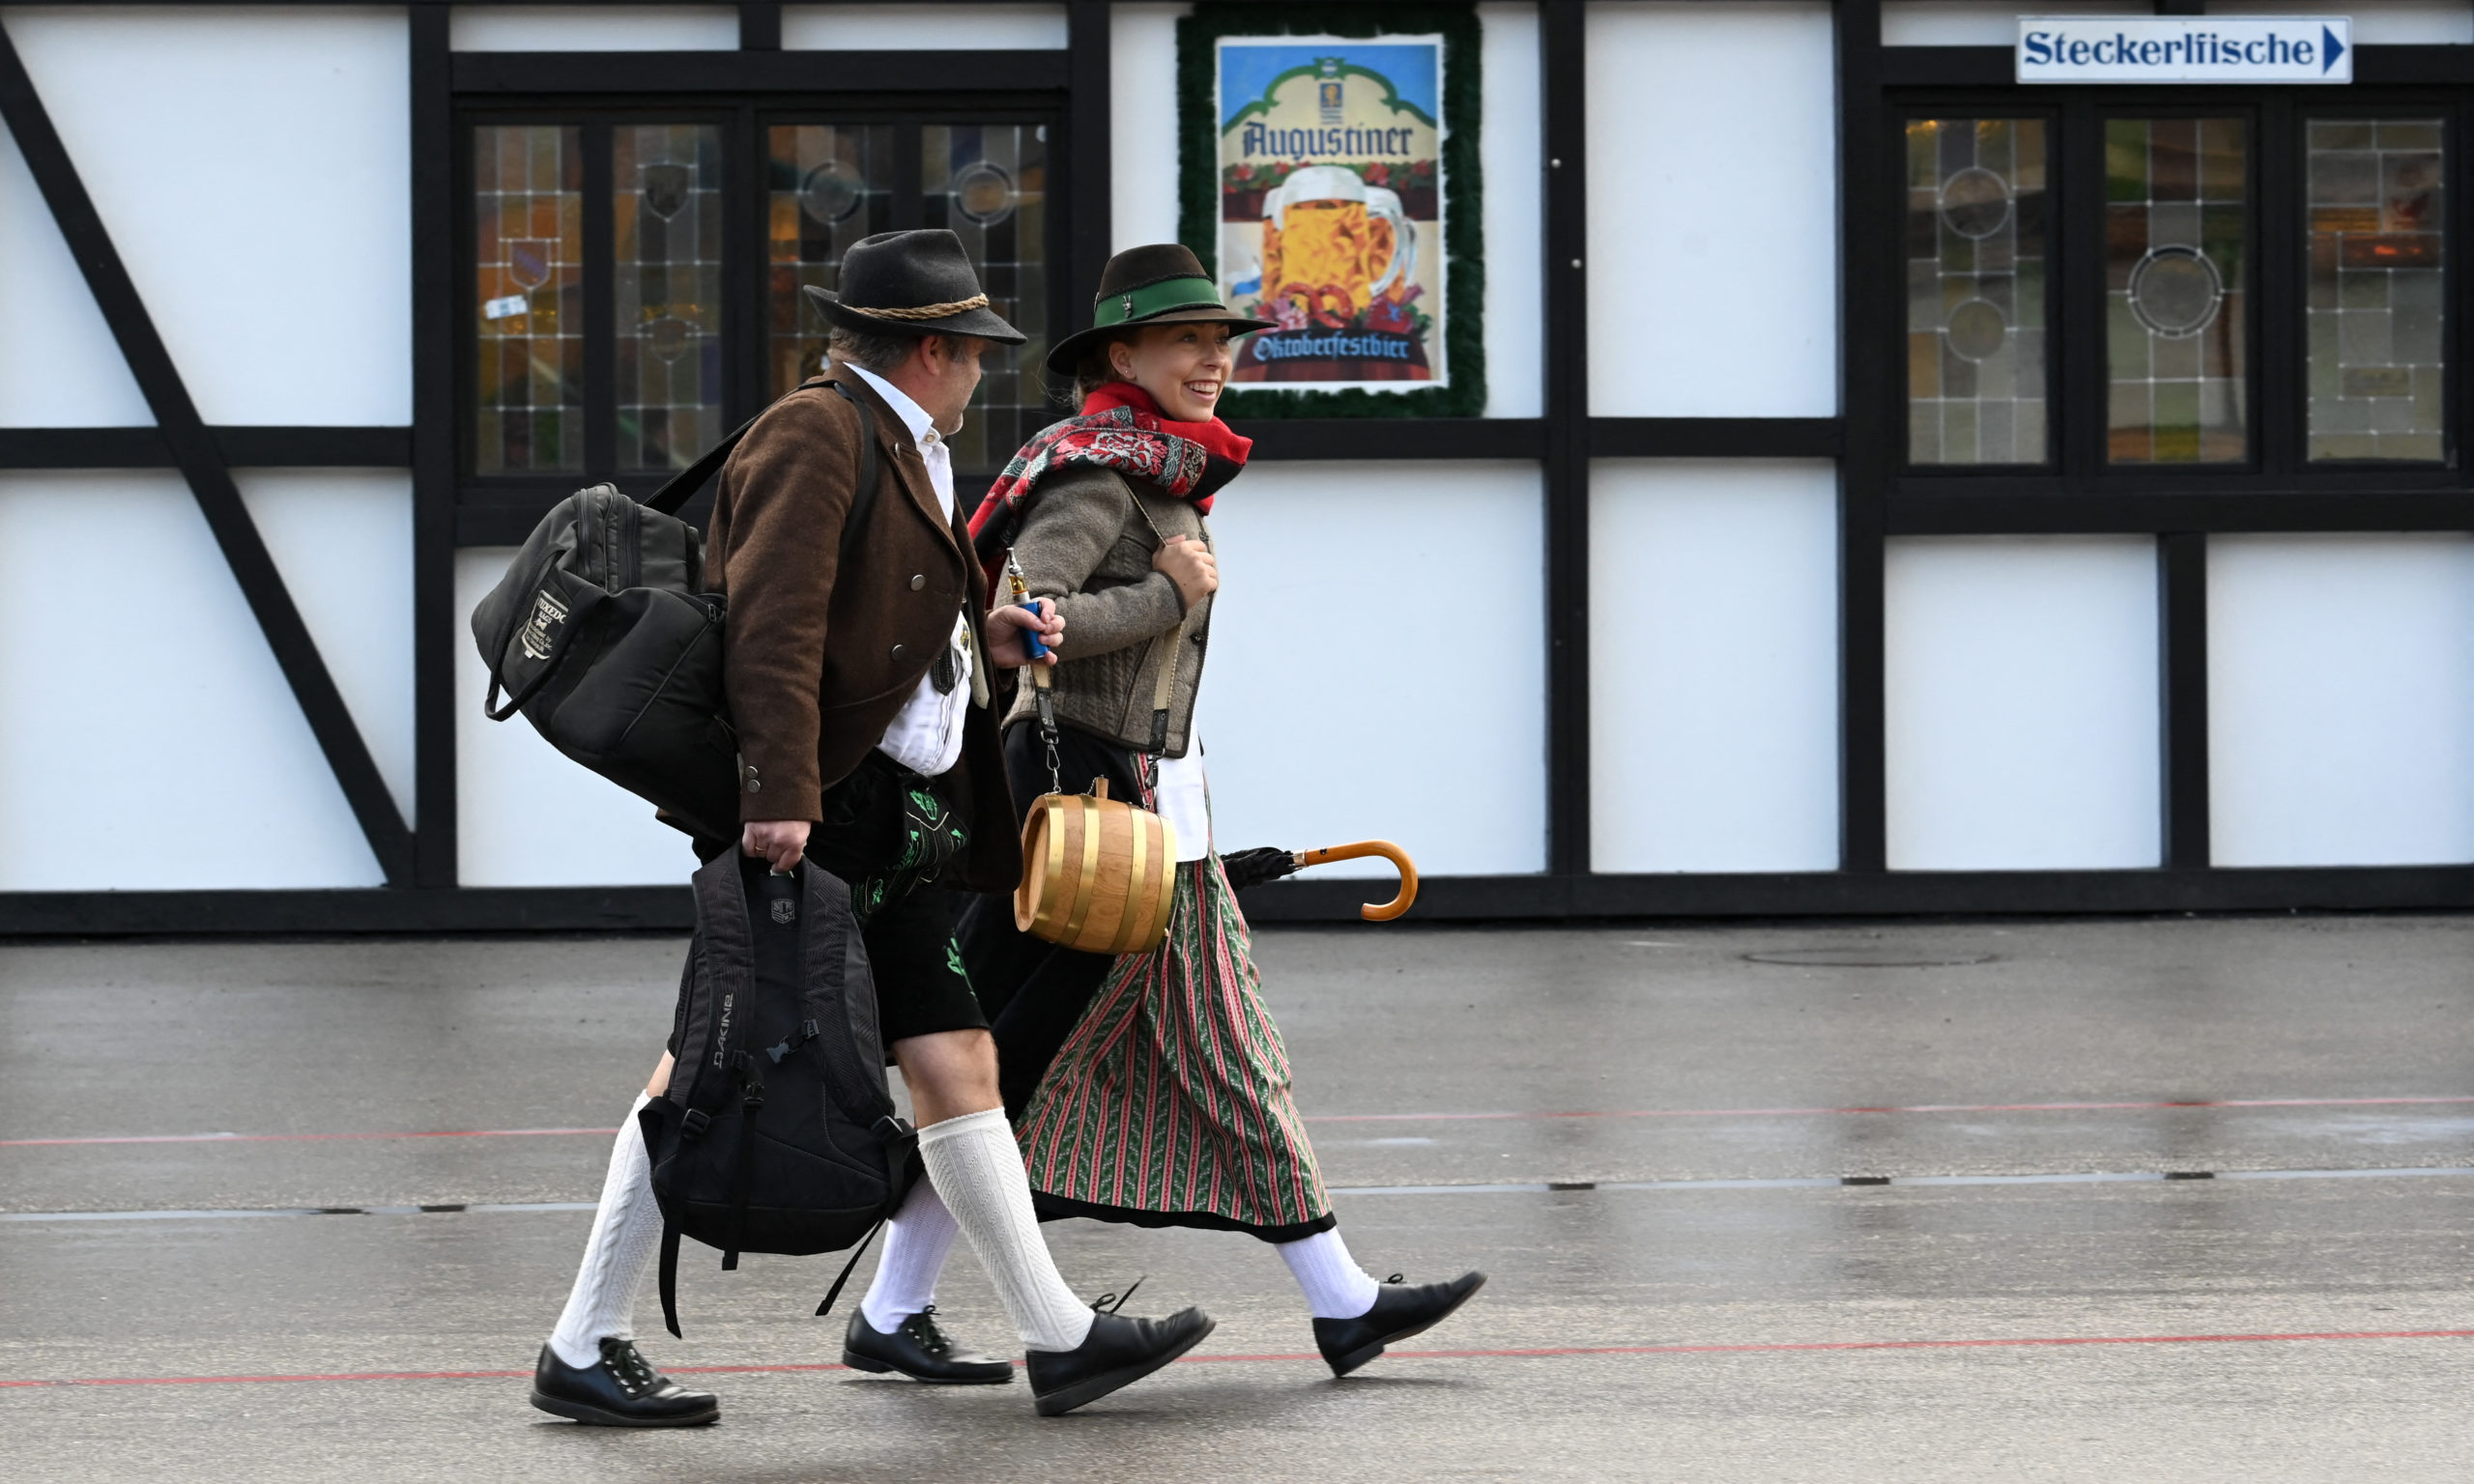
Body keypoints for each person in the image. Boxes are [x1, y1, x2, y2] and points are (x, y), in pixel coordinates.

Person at [529, 230, 1214, 1429]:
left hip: (891, 816)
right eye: (978, 351)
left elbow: (885, 622)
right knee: (700, 1065)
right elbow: (774, 626)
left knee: (959, 1058)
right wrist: (778, 793)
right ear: (934, 348)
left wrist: (986, 643)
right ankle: (582, 1338)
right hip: (819, 809)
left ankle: (1057, 1336)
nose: (985, 372)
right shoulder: (819, 431)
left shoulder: (906, 443)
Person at [960, 243, 1484, 1379]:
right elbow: (1023, 625)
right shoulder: (1094, 474)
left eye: (1223, 340)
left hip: (1163, 816)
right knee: (1015, 1064)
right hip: (1092, 820)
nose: (1214, 359)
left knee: (1221, 1058)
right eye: (1188, 340)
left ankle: (1343, 1301)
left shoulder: (1166, 473)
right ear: (1122, 353)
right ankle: (904, 1305)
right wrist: (1167, 593)